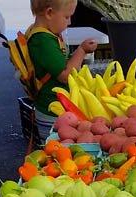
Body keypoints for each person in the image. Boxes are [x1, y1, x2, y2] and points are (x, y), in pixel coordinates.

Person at [26, 0, 97, 143]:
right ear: (49, 13)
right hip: (52, 110)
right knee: (55, 147)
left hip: (58, 108)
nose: (69, 22)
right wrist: (82, 50)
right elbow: (65, 75)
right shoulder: (42, 41)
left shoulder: (46, 35)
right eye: (66, 17)